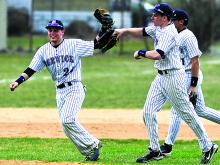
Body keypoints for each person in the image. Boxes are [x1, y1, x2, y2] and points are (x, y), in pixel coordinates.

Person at [114, 3, 218, 164]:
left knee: (188, 113)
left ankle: (207, 146)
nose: (152, 17)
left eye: (156, 15)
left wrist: (140, 52)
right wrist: (124, 31)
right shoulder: (158, 28)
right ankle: (155, 150)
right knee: (148, 112)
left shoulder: (170, 33)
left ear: (164, 18)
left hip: (174, 77)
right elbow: (141, 31)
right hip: (160, 77)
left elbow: (158, 54)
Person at [9, 19, 109, 161]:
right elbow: (31, 69)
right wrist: (17, 81)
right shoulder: (43, 50)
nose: (52, 33)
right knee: (65, 126)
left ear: (62, 31)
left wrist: (103, 30)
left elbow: (96, 44)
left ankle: (94, 143)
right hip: (59, 92)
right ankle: (89, 152)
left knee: (68, 119)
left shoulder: (74, 44)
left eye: (56, 30)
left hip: (74, 88)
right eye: (50, 30)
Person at [160, 9, 219, 160]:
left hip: (190, 76)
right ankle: (167, 146)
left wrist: (193, 84)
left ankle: (167, 146)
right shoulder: (174, 34)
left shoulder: (188, 36)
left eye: (175, 20)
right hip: (181, 75)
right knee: (200, 110)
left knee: (176, 110)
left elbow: (195, 61)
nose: (172, 22)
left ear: (182, 22)